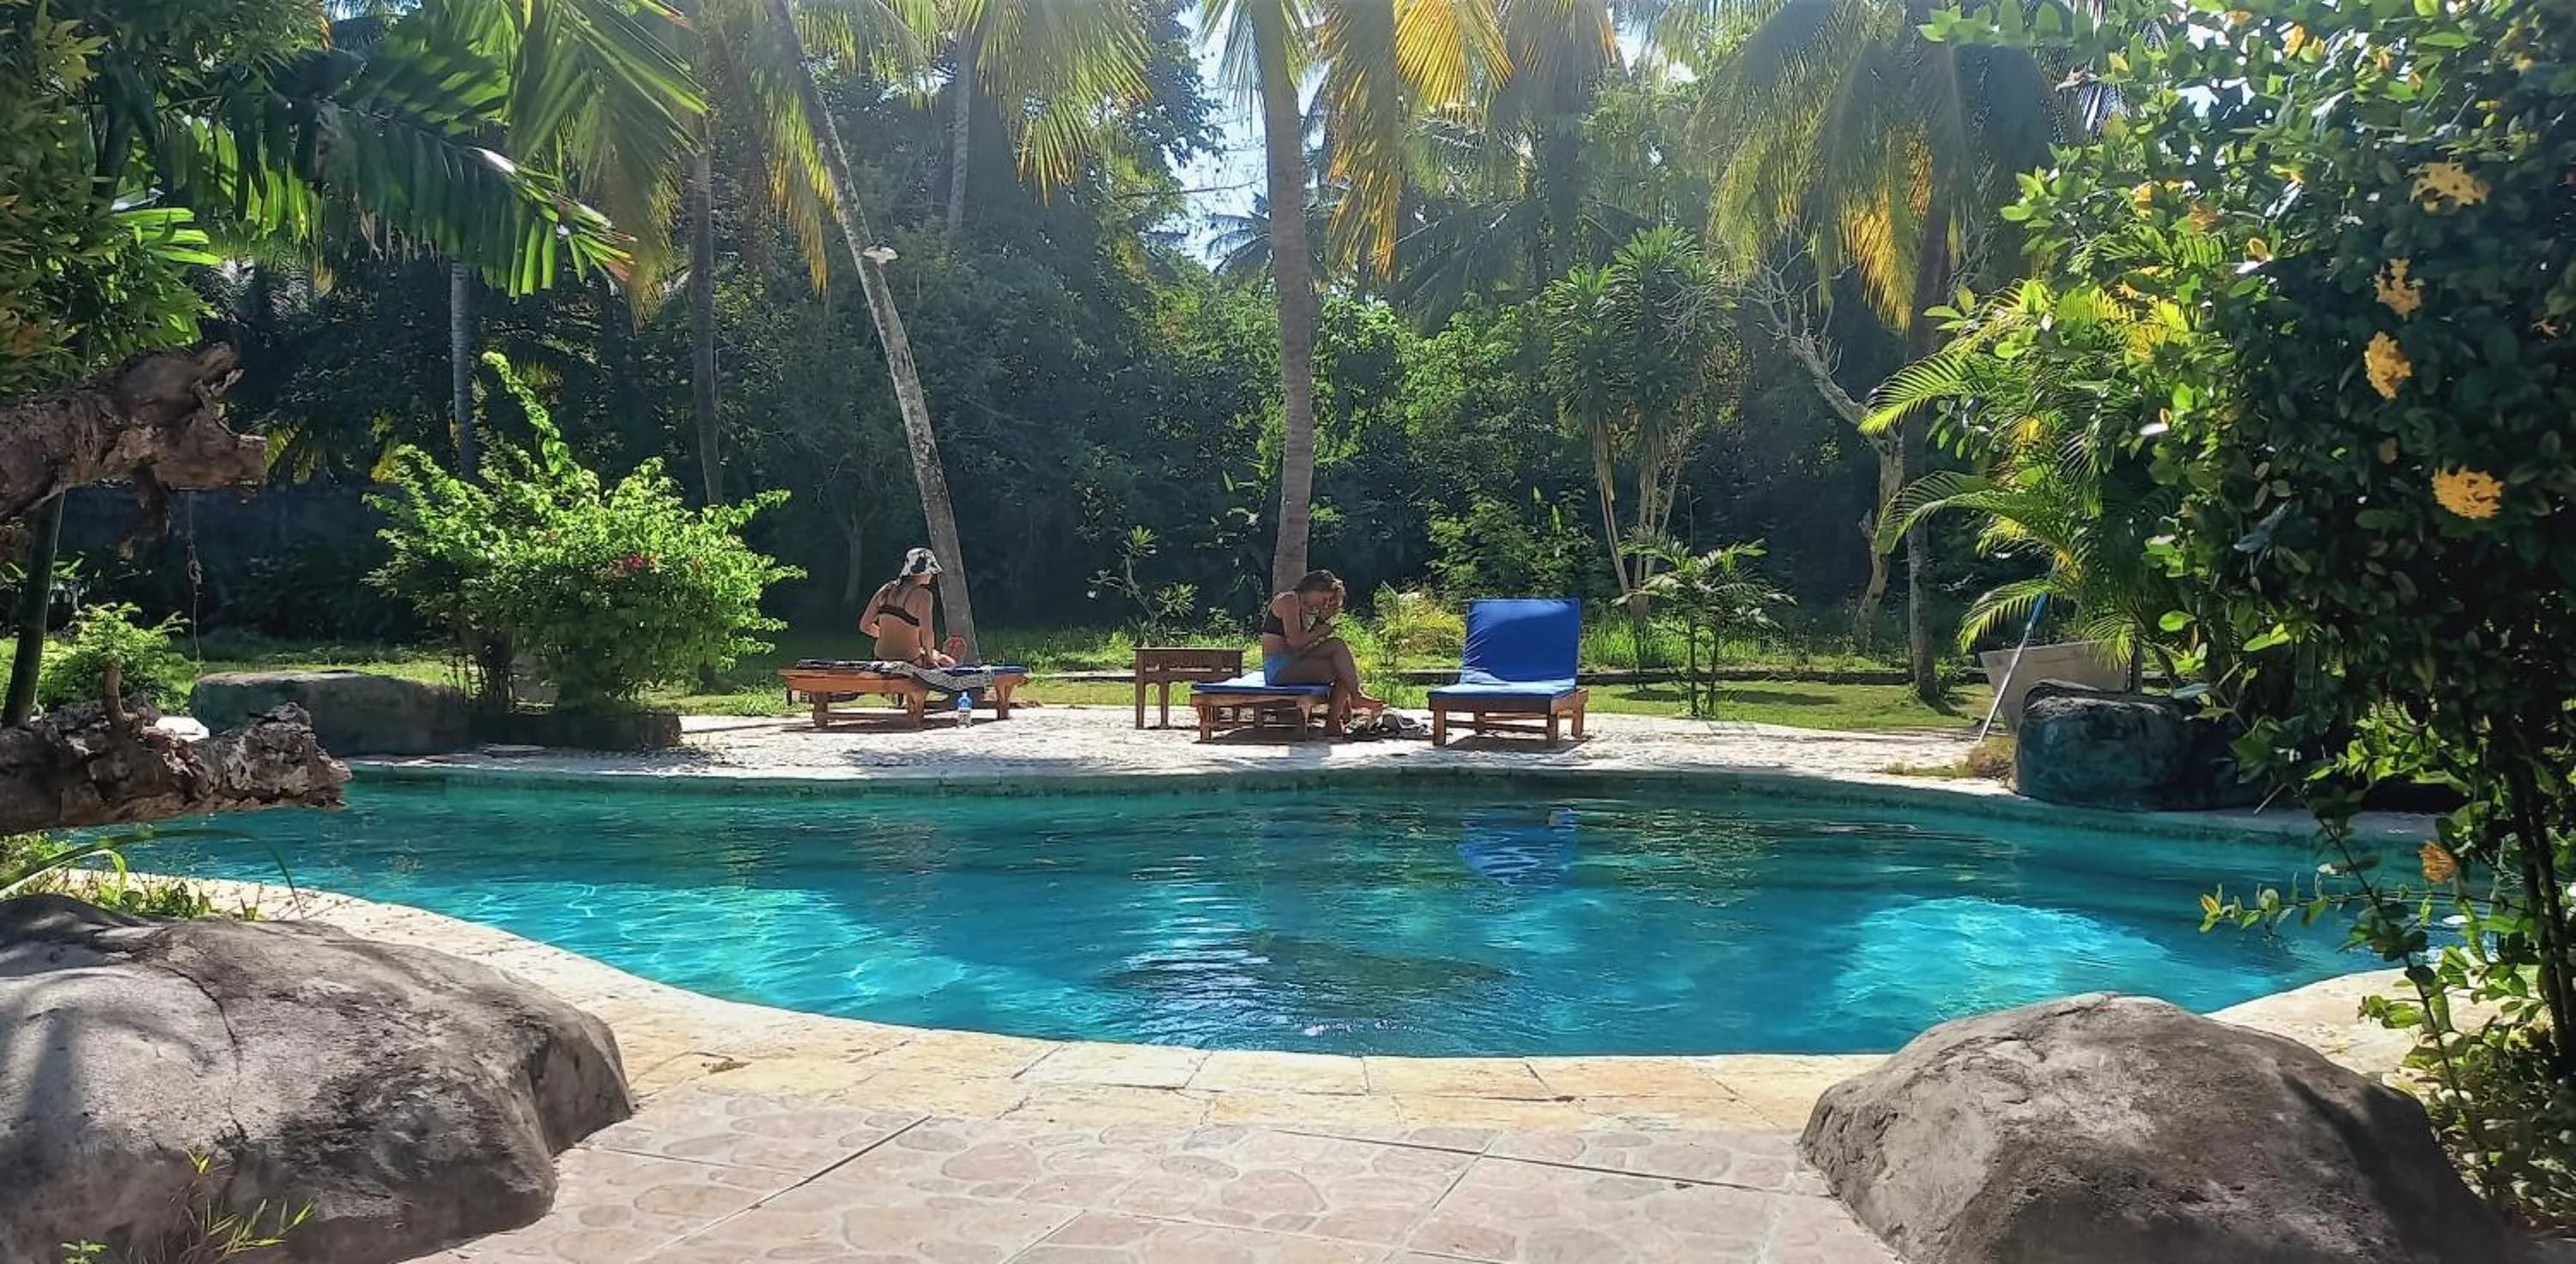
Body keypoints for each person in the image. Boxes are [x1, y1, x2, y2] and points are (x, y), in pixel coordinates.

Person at [1260, 569, 1382, 732]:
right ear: (1314, 589)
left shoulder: (1300, 605)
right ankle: (1342, 711)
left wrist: (1322, 621)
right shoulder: (1289, 600)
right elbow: (1295, 643)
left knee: (1338, 648)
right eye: (1325, 599)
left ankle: (1348, 704)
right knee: (1341, 669)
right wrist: (1322, 630)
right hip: (1279, 668)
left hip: (1294, 661)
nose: (1324, 605)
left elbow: (1304, 645)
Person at [860, 549, 956, 667]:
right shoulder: (923, 596)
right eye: (931, 572)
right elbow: (928, 634)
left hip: (880, 658)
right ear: (924, 572)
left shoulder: (885, 590)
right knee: (948, 662)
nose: (932, 576)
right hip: (908, 660)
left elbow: (864, 626)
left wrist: (887, 635)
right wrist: (930, 659)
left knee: (937, 656)